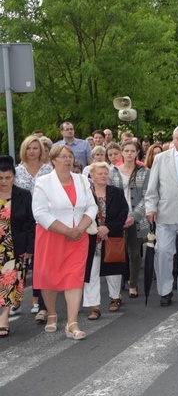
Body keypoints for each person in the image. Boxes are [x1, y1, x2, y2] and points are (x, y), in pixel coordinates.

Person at [32, 145, 97, 340]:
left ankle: (72, 323)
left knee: (74, 278)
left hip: (78, 237)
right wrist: (66, 230)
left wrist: (79, 229)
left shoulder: (82, 180)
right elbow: (40, 213)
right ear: (54, 160)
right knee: (50, 278)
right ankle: (52, 314)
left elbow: (92, 206)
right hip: (52, 236)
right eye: (63, 156)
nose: (68, 159)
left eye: (70, 156)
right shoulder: (43, 182)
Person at [145, 125, 178, 307]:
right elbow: (152, 188)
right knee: (163, 252)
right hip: (164, 214)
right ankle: (165, 291)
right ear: (173, 139)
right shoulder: (160, 158)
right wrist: (150, 208)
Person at [14, 135, 53, 318]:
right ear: (24, 150)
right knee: (19, 263)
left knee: (40, 263)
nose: (32, 151)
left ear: (41, 151)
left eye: (36, 148)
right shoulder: (17, 171)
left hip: (42, 222)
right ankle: (16, 298)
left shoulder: (48, 169)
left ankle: (38, 300)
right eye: (29, 148)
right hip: (21, 223)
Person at [82, 162, 128, 320]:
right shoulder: (85, 193)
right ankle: (94, 306)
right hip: (90, 238)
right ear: (91, 176)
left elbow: (123, 213)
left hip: (112, 235)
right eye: (99, 173)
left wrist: (107, 227)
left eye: (105, 173)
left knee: (113, 268)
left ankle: (115, 297)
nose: (103, 176)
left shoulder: (117, 192)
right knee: (91, 272)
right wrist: (95, 230)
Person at [108, 140, 151, 299]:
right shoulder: (113, 172)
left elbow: (148, 196)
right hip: (118, 218)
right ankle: (118, 286)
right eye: (126, 151)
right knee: (118, 252)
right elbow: (110, 196)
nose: (129, 154)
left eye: (133, 151)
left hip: (137, 218)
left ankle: (133, 284)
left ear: (137, 153)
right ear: (122, 153)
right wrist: (120, 217)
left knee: (134, 253)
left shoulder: (145, 172)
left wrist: (133, 216)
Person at [0, 156, 35, 338]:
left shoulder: (23, 195)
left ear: (14, 177)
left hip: (14, 247)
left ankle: (4, 318)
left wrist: (30, 247)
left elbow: (30, 223)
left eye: (8, 178)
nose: (4, 182)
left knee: (8, 283)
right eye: (1, 178)